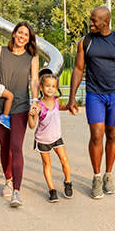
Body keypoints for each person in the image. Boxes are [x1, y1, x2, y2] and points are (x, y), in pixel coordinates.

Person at [66, 6, 115, 199]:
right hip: (94, 95)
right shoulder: (85, 42)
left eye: (94, 20)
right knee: (96, 135)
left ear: (105, 22)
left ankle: (108, 175)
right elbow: (78, 70)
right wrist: (72, 97)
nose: (90, 23)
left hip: (114, 95)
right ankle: (97, 177)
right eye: (91, 19)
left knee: (112, 135)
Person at [0, 21, 39, 207]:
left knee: (16, 146)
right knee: (4, 146)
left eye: (26, 35)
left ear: (29, 39)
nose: (22, 37)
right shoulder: (0, 51)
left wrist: (35, 100)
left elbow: (34, 81)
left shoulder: (32, 57)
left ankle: (16, 190)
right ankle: (8, 179)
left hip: (21, 106)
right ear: (14, 34)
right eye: (20, 33)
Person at [28, 74, 73, 203]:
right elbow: (31, 125)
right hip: (43, 140)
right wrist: (31, 114)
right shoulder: (39, 106)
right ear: (41, 88)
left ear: (56, 88)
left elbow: (62, 107)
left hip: (57, 137)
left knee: (64, 160)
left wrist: (71, 107)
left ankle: (68, 182)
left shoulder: (57, 101)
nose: (50, 89)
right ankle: (52, 190)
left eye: (53, 86)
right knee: (47, 164)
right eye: (47, 86)